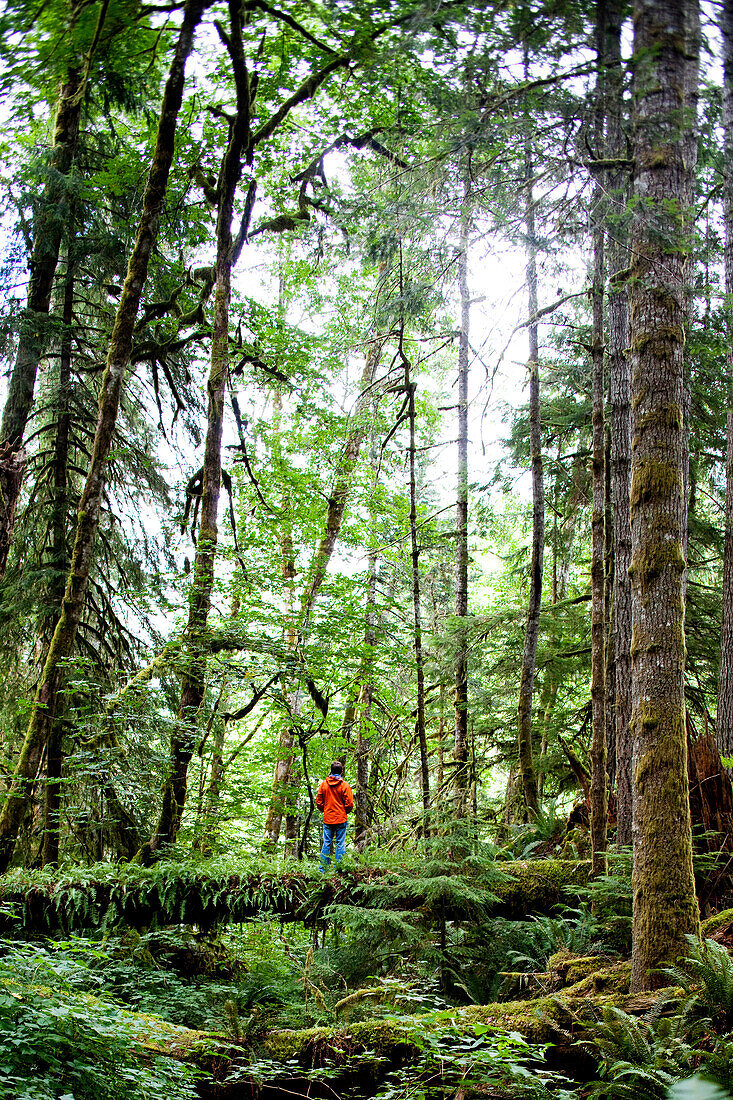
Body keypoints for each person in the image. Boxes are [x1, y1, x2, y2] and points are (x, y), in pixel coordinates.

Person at [315, 760, 353, 870]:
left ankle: (323, 869)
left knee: (326, 843)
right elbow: (350, 803)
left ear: (331, 771)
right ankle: (339, 868)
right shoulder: (345, 785)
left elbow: (319, 802)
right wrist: (344, 811)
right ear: (341, 771)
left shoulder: (324, 785)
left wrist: (326, 810)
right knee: (340, 843)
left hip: (328, 819)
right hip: (341, 818)